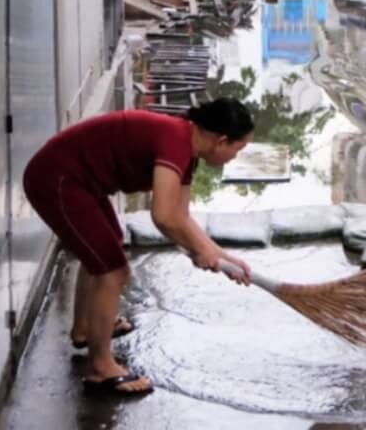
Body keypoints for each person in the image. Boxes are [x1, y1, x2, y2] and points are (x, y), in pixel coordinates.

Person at [21, 99, 255, 396]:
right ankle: (100, 367)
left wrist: (222, 257)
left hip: (80, 182)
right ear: (222, 141)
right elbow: (164, 217)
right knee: (113, 270)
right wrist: (201, 250)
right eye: (239, 149)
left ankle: (84, 329)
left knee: (105, 248)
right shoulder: (176, 142)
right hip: (57, 178)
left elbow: (181, 217)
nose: (236, 156)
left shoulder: (187, 147)